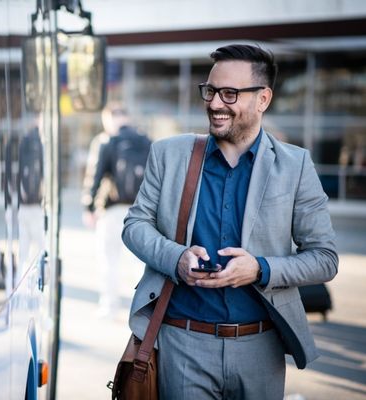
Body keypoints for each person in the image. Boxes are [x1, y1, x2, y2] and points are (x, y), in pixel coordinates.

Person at [122, 44, 338, 399]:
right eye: (210, 91)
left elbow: (325, 258)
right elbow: (135, 226)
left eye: (230, 94)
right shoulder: (168, 154)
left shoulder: (296, 166)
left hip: (260, 347)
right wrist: (175, 257)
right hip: (183, 343)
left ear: (263, 99)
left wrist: (260, 269)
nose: (215, 103)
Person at [82, 102, 151, 317]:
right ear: (127, 118)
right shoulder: (146, 141)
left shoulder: (106, 141)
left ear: (109, 119)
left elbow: (95, 175)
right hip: (140, 211)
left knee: (109, 259)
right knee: (140, 262)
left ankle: (110, 306)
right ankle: (143, 308)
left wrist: (89, 206)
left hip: (112, 211)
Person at [16, 126, 44, 281]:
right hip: (36, 206)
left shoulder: (23, 146)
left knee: (24, 248)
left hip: (23, 206)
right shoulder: (40, 146)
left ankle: (20, 280)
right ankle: (37, 279)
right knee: (40, 247)